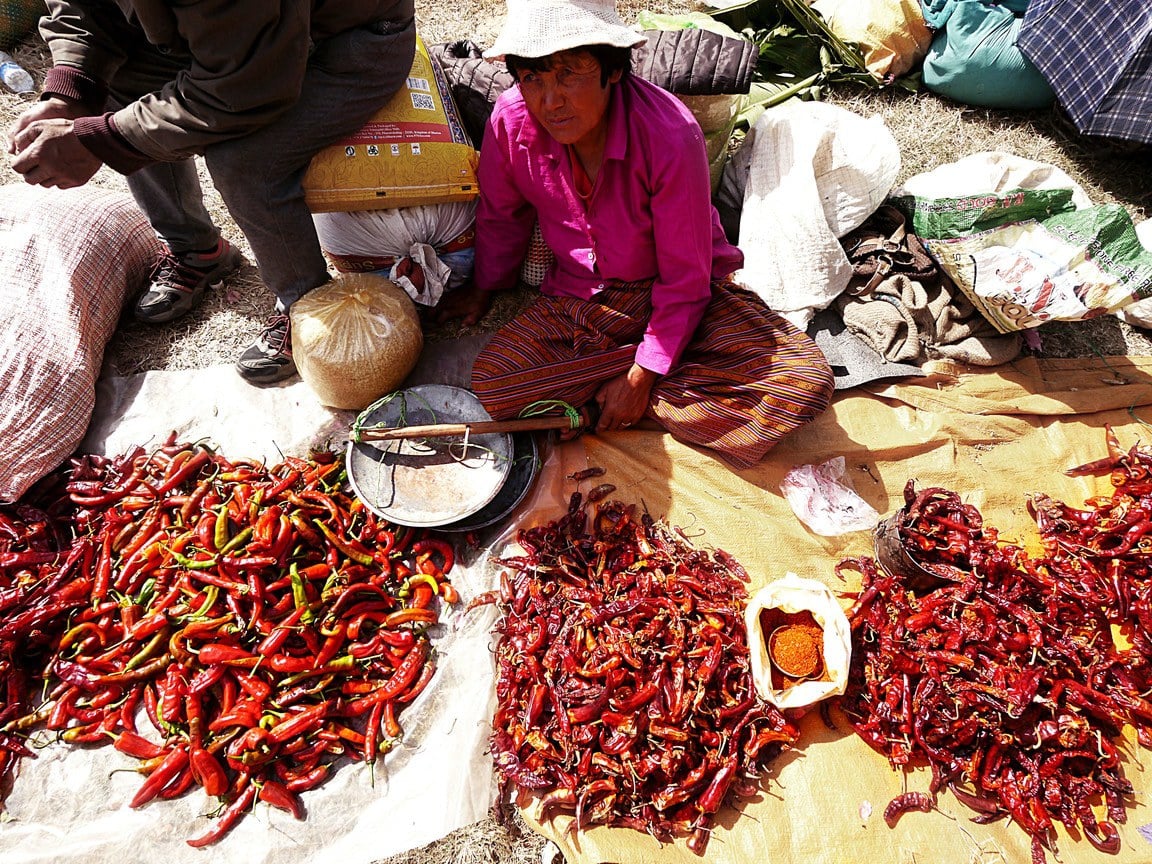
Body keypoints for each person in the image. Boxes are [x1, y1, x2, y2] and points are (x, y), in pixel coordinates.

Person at [438, 0, 835, 469]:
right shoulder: (512, 121)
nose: (550, 101)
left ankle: (608, 396)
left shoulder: (669, 134)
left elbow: (687, 276)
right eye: (533, 78)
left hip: (677, 292)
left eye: (569, 73)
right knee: (496, 385)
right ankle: (635, 385)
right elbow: (503, 216)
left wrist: (641, 377)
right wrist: (485, 288)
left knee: (803, 383)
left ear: (611, 69)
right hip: (584, 300)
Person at [6, 0, 416, 384]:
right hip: (227, 42)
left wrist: (102, 140)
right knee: (122, 92)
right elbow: (80, 8)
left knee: (246, 160)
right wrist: (72, 90)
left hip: (349, 42)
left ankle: (305, 305)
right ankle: (197, 250)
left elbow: (246, 89)